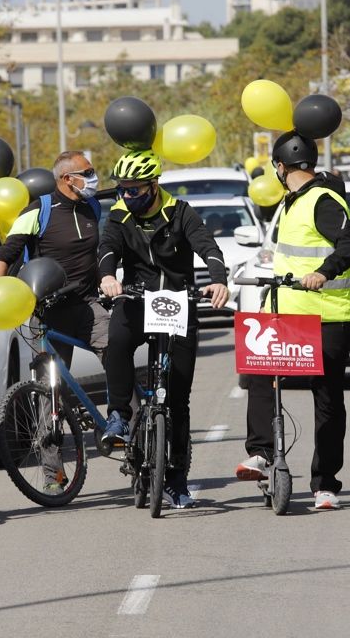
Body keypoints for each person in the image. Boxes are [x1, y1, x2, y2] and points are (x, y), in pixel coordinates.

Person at [236, 132, 350, 511]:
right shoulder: (292, 202)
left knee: (326, 396)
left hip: (327, 314)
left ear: (280, 167)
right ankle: (261, 454)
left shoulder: (323, 200)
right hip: (287, 312)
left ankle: (325, 484)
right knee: (259, 374)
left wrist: (323, 273)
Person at [97, 150, 229, 509]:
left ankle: (177, 481)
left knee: (178, 399)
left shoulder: (180, 211)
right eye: (123, 190)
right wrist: (108, 276)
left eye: (136, 191)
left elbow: (208, 247)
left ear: (154, 186)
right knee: (118, 341)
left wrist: (218, 279)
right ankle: (120, 415)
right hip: (137, 299)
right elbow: (107, 250)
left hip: (179, 301)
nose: (128, 197)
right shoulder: (120, 215)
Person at [0, 151, 107, 372]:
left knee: (118, 359)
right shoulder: (38, 210)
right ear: (67, 179)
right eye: (88, 173)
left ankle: (123, 408)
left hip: (88, 306)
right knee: (52, 386)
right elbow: (5, 255)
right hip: (50, 312)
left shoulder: (92, 206)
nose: (94, 178)